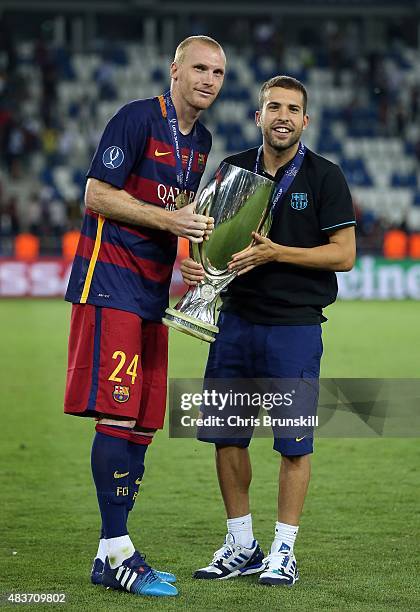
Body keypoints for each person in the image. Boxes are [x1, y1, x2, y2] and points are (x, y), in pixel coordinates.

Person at [63, 35, 225, 598]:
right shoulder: (134, 119)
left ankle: (117, 550)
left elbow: (174, 218)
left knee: (143, 419)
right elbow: (97, 195)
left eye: (218, 73)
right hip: (109, 282)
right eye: (199, 68)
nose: (208, 79)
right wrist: (171, 222)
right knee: (118, 410)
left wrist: (191, 263)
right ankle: (115, 550)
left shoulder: (200, 142)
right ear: (174, 69)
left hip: (154, 293)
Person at [180, 75, 356, 586]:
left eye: (293, 109)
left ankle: (283, 550)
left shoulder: (325, 176)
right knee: (226, 438)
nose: (282, 116)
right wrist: (193, 267)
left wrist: (278, 252)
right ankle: (240, 544)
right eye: (273, 106)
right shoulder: (233, 169)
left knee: (293, 444)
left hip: (294, 327)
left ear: (306, 120)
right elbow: (204, 239)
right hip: (233, 321)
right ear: (258, 116)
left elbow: (343, 255)